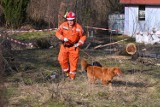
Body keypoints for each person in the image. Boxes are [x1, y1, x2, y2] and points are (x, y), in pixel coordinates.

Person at [55, 11, 87, 80]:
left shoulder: (78, 27)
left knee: (73, 64)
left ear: (74, 19)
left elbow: (83, 36)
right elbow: (57, 33)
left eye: (72, 20)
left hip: (74, 47)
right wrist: (62, 38)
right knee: (61, 60)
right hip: (64, 46)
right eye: (69, 20)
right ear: (67, 20)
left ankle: (72, 78)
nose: (70, 22)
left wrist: (79, 43)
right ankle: (67, 72)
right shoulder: (63, 25)